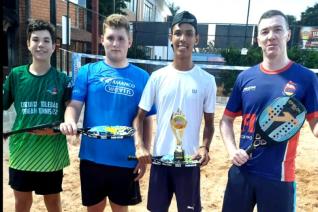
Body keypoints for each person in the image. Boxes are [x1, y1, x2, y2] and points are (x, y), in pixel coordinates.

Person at [220, 10, 318, 212]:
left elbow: (315, 123)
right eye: (265, 31)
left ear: (288, 35)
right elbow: (226, 121)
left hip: (278, 177)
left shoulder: (307, 79)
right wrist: (232, 151)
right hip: (241, 172)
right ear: (258, 39)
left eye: (277, 29)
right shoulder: (245, 77)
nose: (271, 36)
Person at [59, 14, 155, 212]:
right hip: (92, 158)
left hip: (126, 159)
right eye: (110, 38)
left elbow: (146, 119)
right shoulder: (88, 71)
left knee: (120, 209)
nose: (115, 43)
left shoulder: (143, 77)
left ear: (130, 42)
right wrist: (69, 120)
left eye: (120, 38)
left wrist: (144, 153)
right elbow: (75, 104)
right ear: (102, 40)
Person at [133, 11, 217, 212]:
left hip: (189, 163)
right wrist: (140, 145)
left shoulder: (207, 80)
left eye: (189, 34)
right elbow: (139, 118)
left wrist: (205, 147)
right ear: (170, 37)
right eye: (178, 33)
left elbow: (210, 125)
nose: (183, 38)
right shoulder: (157, 77)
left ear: (196, 38)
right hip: (161, 161)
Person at [3, 19, 71, 212]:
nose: (40, 44)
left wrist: (58, 129)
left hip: (51, 154)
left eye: (46, 40)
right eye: (35, 39)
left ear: (54, 46)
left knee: (53, 203)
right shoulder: (16, 76)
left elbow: (70, 113)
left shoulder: (62, 79)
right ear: (28, 44)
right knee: (22, 203)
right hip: (22, 152)